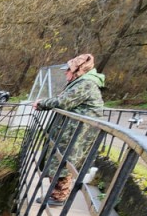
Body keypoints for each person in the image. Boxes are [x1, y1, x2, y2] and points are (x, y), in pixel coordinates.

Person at [33, 53, 105, 205]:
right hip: (72, 129)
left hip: (77, 132)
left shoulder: (86, 84)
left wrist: (41, 103)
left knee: (63, 161)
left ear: (77, 70)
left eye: (68, 70)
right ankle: (56, 194)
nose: (65, 72)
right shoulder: (82, 82)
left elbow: (63, 102)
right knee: (58, 159)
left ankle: (59, 197)